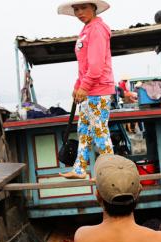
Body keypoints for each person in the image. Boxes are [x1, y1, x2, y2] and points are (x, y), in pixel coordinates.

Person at [58, 0, 115, 179]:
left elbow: (96, 65)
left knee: (100, 132)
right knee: (84, 131)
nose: (79, 12)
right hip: (89, 90)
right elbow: (84, 65)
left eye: (83, 8)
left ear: (94, 8)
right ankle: (80, 168)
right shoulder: (86, 29)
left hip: (98, 90)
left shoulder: (97, 29)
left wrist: (84, 86)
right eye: (76, 9)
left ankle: (111, 172)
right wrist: (78, 86)